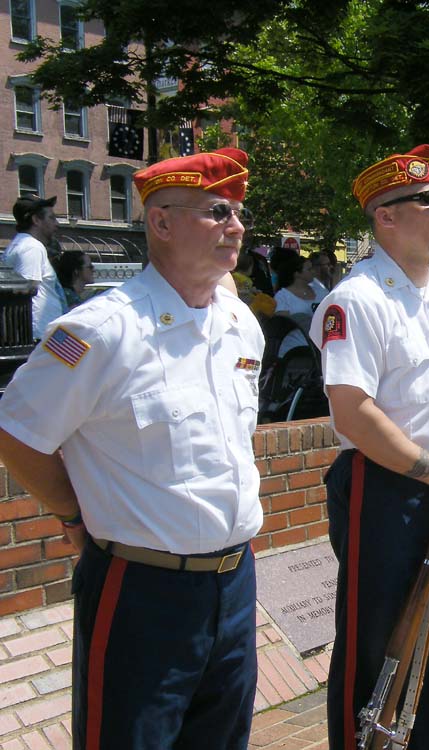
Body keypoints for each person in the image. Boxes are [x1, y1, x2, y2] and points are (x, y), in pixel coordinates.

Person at [0, 148, 263, 748]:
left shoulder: (239, 324)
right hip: (143, 590)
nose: (236, 227)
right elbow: (16, 433)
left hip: (234, 583)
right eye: (217, 212)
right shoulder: (102, 330)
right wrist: (74, 515)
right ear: (161, 222)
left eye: (238, 213)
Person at [310, 144, 429, 750]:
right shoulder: (357, 300)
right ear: (385, 216)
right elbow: (353, 411)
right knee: (378, 644)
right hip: (386, 488)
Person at [3, 195, 67, 338]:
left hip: (40, 334)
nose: (57, 224)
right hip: (39, 335)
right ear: (36, 220)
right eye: (51, 218)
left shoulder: (21, 244)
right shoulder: (31, 247)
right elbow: (25, 293)